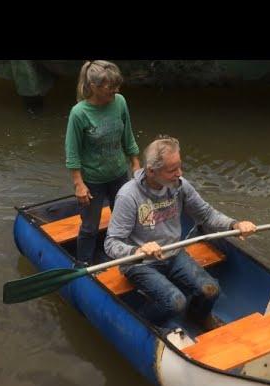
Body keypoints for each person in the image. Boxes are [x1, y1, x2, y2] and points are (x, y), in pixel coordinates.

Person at [104, 135, 257, 331]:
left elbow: (206, 215)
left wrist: (235, 225)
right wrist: (137, 251)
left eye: (179, 166)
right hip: (141, 263)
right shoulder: (128, 196)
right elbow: (111, 243)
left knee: (211, 291)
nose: (180, 173)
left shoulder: (179, 186)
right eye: (172, 170)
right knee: (175, 302)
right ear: (151, 171)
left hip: (173, 253)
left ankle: (198, 316)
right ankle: (145, 323)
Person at [65, 60, 140, 266]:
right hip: (93, 181)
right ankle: (85, 265)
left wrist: (135, 163)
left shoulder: (120, 102)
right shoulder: (79, 113)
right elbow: (72, 153)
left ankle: (125, 259)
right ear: (94, 86)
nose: (115, 90)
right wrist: (78, 184)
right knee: (89, 227)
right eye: (110, 87)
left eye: (117, 85)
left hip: (118, 175)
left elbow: (128, 136)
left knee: (125, 221)